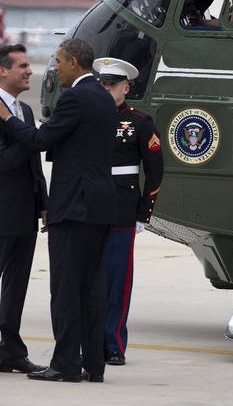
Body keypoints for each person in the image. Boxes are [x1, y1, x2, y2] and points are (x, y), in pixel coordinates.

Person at [0, 38, 119, 383]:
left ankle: (65, 365)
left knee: (66, 289)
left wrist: (6, 118)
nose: (54, 68)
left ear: (74, 62)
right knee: (92, 288)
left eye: (58, 61)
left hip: (75, 206)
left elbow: (42, 140)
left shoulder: (75, 96)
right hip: (100, 206)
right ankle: (94, 364)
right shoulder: (104, 96)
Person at [0, 43, 48, 377]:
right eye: (23, 66)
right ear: (3, 70)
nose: (29, 71)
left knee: (17, 287)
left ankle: (12, 352)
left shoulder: (24, 112)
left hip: (25, 213)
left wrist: (43, 204)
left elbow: (34, 165)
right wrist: (26, 137)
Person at [93, 57, 164, 367]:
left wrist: (142, 214)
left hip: (123, 208)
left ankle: (113, 344)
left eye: (112, 86)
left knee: (118, 281)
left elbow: (155, 172)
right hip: (90, 206)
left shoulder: (140, 121)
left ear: (126, 87)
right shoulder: (88, 118)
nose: (106, 90)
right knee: (89, 280)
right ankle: (89, 341)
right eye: (102, 85)